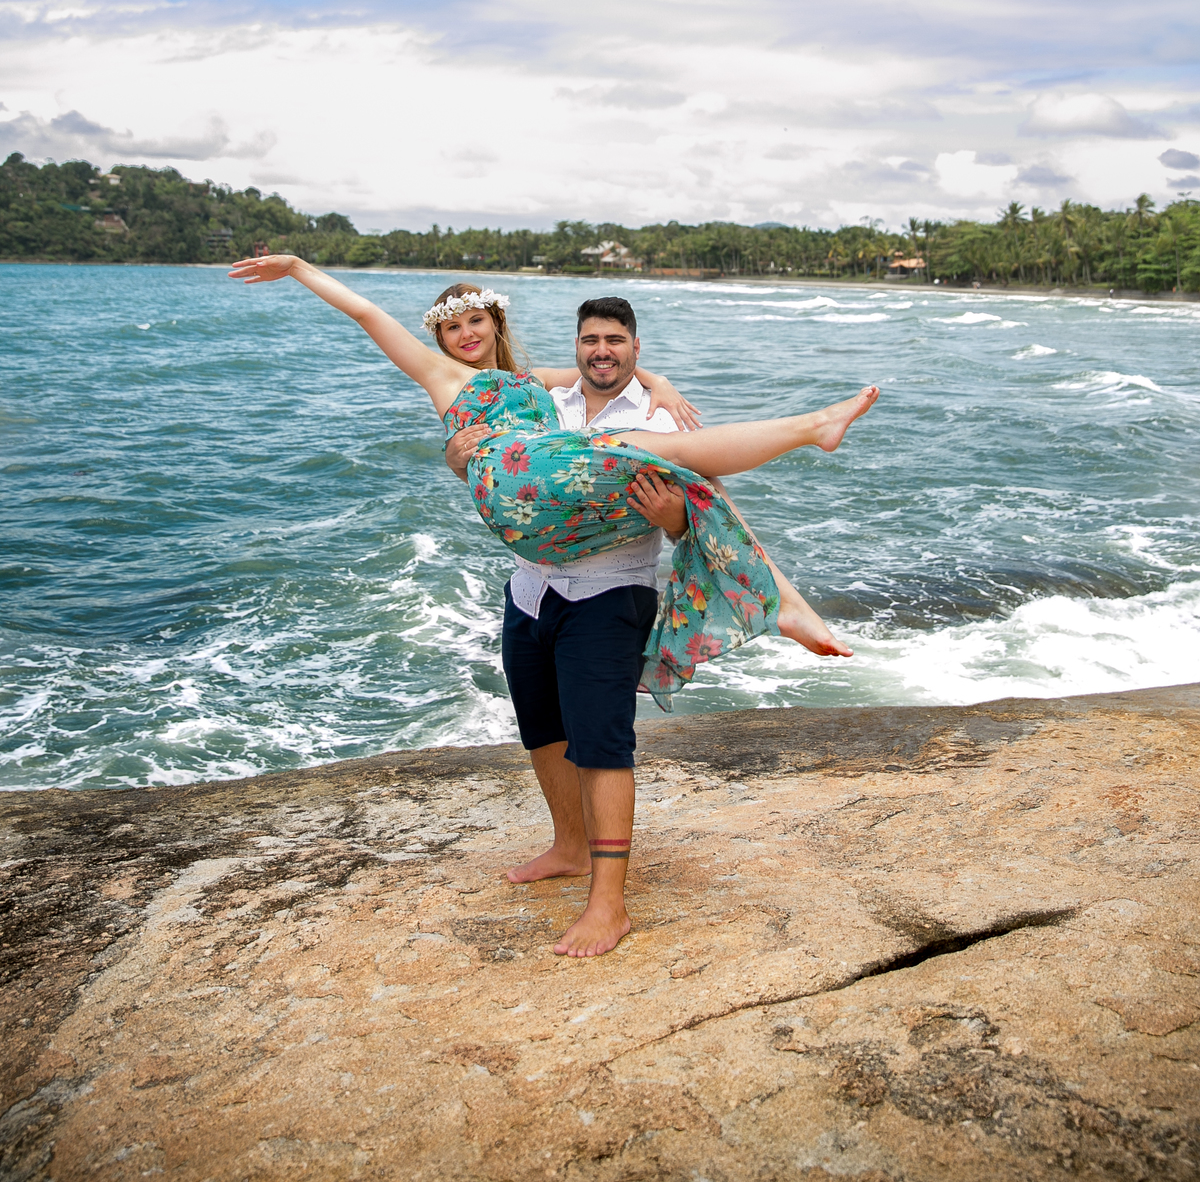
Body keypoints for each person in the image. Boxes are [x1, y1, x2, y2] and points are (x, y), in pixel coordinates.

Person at [227, 255, 878, 952]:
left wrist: (658, 382)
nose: (465, 335)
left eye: (476, 320)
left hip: (594, 562)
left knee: (674, 470)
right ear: (439, 340)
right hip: (530, 544)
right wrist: (299, 268)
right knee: (544, 731)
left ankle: (811, 436)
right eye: (452, 328)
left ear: (496, 321)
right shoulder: (446, 378)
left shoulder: (538, 382)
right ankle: (571, 845)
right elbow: (365, 314)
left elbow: (624, 386)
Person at [442, 293, 853, 959]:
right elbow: (493, 453)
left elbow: (703, 510)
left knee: (602, 746)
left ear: (636, 349)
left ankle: (609, 904)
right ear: (575, 347)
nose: (601, 351)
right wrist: (459, 459)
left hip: (609, 594)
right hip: (531, 591)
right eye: (590, 340)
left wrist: (670, 520)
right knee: (542, 731)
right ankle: (569, 848)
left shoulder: (659, 415)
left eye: (615, 341)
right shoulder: (551, 398)